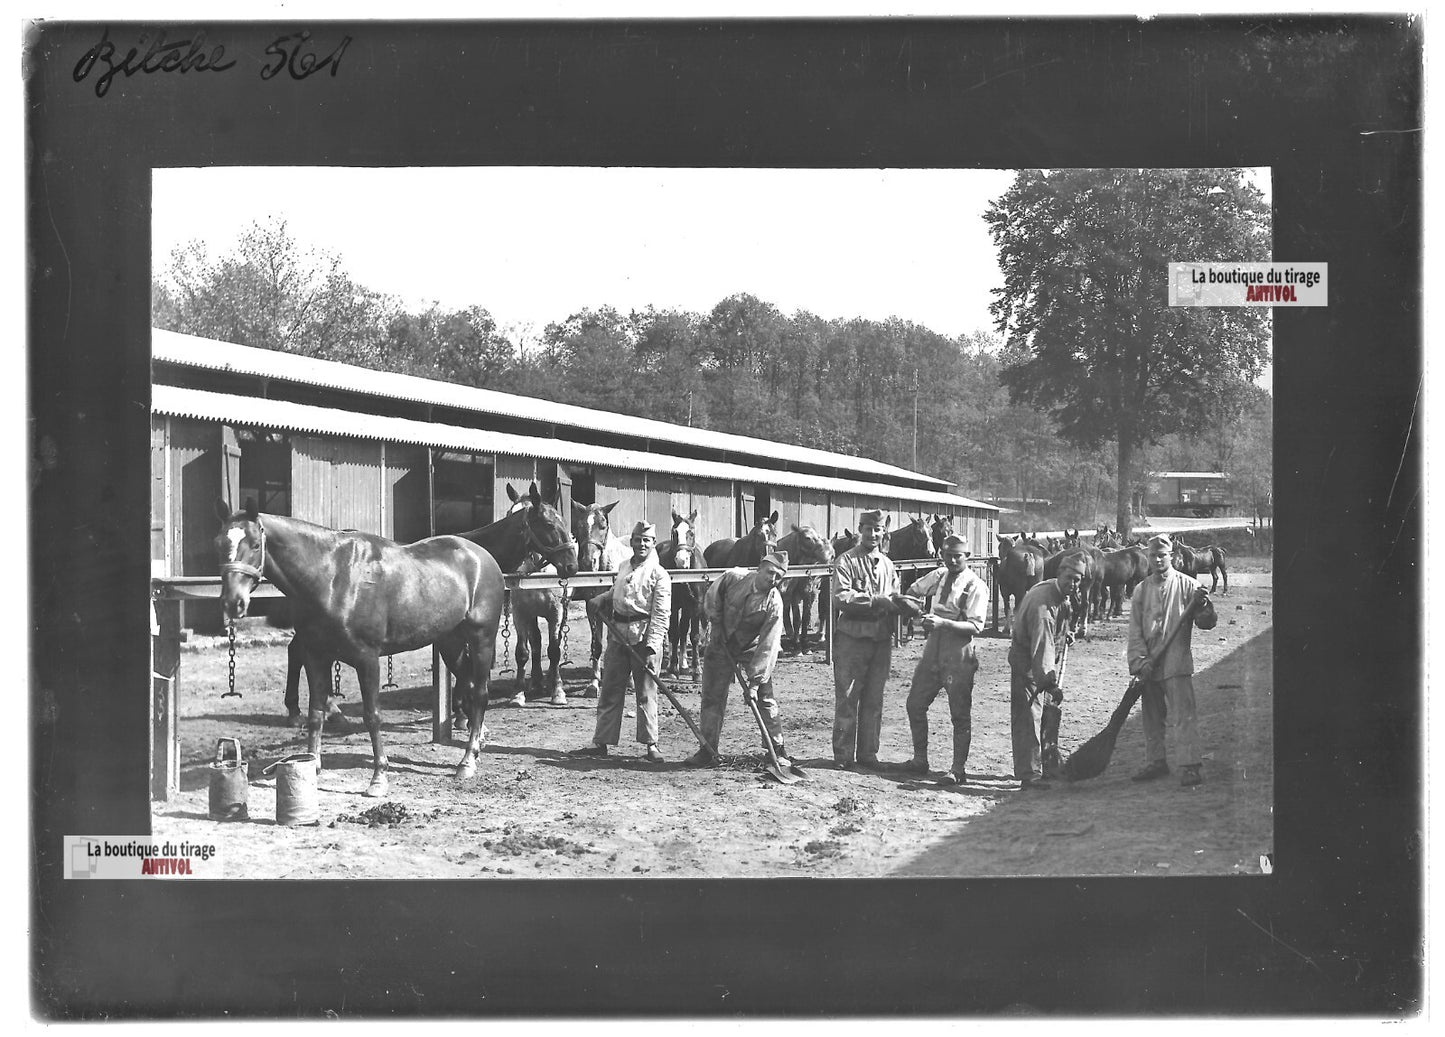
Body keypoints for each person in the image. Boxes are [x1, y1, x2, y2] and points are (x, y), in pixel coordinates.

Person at [572, 520, 671, 763]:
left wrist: (652, 645)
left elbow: (661, 615)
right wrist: (603, 599)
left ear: (653, 544)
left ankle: (651, 745)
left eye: (646, 541)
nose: (641, 544)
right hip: (617, 635)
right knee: (610, 690)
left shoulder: (659, 574)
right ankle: (602, 742)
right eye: (637, 540)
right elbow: (619, 590)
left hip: (643, 639)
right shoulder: (624, 566)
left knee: (646, 693)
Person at [1127, 533, 1218, 787]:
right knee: (1151, 717)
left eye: (1162, 555)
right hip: (1148, 663)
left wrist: (1205, 606)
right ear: (1147, 558)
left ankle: (1190, 765)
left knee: (1183, 714)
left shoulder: (1189, 586)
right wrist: (1139, 662)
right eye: (1153, 555)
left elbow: (1206, 623)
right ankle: (1156, 761)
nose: (1157, 560)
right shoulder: (1141, 591)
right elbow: (1135, 631)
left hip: (1176, 662)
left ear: (1171, 557)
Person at [684, 551, 789, 767]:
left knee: (764, 698)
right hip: (721, 640)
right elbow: (712, 596)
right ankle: (708, 750)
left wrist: (754, 682)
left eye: (778, 577)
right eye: (770, 573)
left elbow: (768, 646)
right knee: (712, 696)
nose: (772, 579)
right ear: (759, 568)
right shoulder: (734, 576)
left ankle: (777, 750)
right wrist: (717, 622)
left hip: (751, 646)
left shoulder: (774, 604)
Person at [898, 534, 988, 784]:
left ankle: (958, 770)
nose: (952, 560)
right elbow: (912, 591)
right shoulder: (938, 575)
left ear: (967, 556)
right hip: (933, 649)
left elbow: (976, 627)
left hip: (958, 652)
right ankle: (920, 760)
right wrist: (916, 611)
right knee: (915, 703)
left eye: (957, 555)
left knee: (959, 714)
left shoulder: (976, 585)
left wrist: (942, 622)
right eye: (947, 554)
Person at [830, 509, 903, 770]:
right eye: (868, 529)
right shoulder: (846, 561)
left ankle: (868, 754)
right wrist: (873, 600)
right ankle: (843, 756)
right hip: (852, 639)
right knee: (848, 698)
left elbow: (895, 595)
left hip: (880, 641)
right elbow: (840, 597)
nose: (873, 534)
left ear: (884, 532)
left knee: (874, 699)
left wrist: (901, 604)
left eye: (878, 530)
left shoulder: (887, 564)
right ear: (860, 529)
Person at [1008, 551, 1087, 787]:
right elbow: (1042, 646)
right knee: (1028, 718)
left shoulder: (1059, 592)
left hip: (1041, 660)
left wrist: (1066, 634)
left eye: (1078, 580)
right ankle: (1029, 774)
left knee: (1042, 715)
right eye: (1070, 577)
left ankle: (1046, 766)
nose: (1073, 584)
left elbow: (1056, 626)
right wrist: (1050, 683)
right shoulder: (1043, 602)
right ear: (1059, 572)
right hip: (1028, 665)